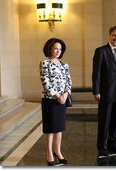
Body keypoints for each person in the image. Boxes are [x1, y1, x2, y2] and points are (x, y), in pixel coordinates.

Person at [92, 25, 116, 158]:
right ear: (109, 36)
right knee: (104, 120)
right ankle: (102, 146)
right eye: (114, 35)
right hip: (105, 92)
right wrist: (96, 91)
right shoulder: (100, 51)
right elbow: (96, 73)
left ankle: (113, 143)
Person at [39, 38, 72, 166]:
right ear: (50, 49)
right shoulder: (44, 63)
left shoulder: (64, 64)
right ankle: (49, 153)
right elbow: (45, 82)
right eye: (55, 49)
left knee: (59, 128)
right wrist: (58, 96)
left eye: (60, 49)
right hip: (50, 100)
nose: (58, 51)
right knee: (50, 128)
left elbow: (69, 82)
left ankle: (58, 151)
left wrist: (65, 95)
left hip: (62, 100)